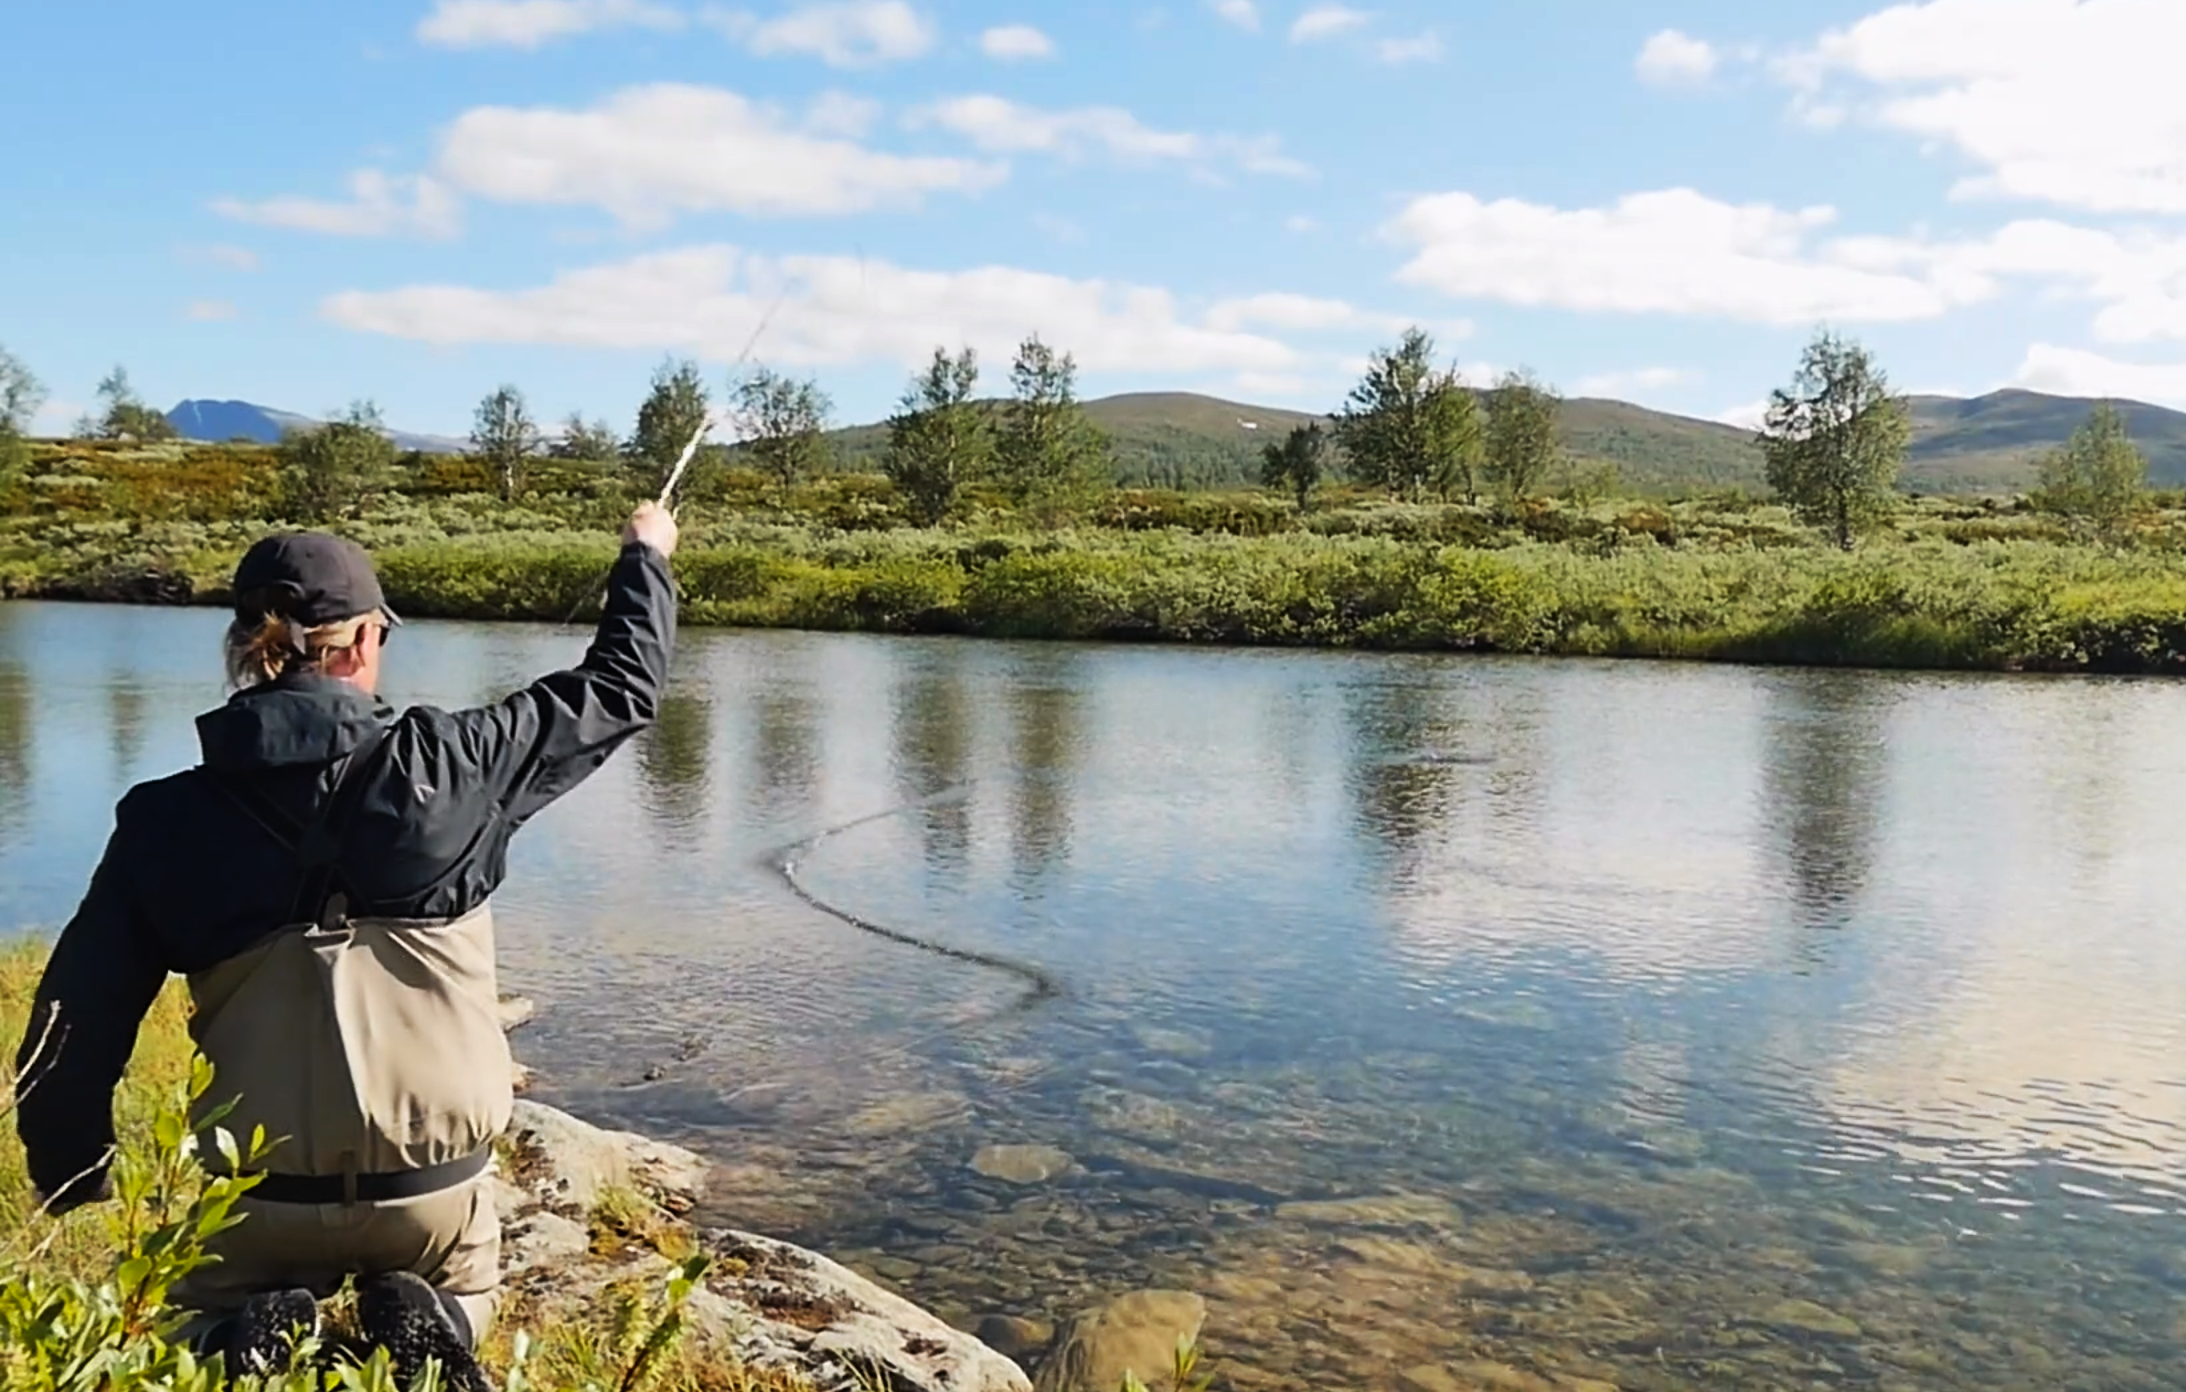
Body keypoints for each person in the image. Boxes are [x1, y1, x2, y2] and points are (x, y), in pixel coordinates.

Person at [11, 502, 679, 1385]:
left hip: (260, 1202)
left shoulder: (163, 821)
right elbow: (620, 688)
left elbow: (77, 1014)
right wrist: (646, 557)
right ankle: (437, 1311)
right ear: (363, 644)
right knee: (469, 1285)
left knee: (184, 1323)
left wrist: (69, 1165)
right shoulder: (461, 762)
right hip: (432, 1194)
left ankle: (236, 1333)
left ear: (245, 647)